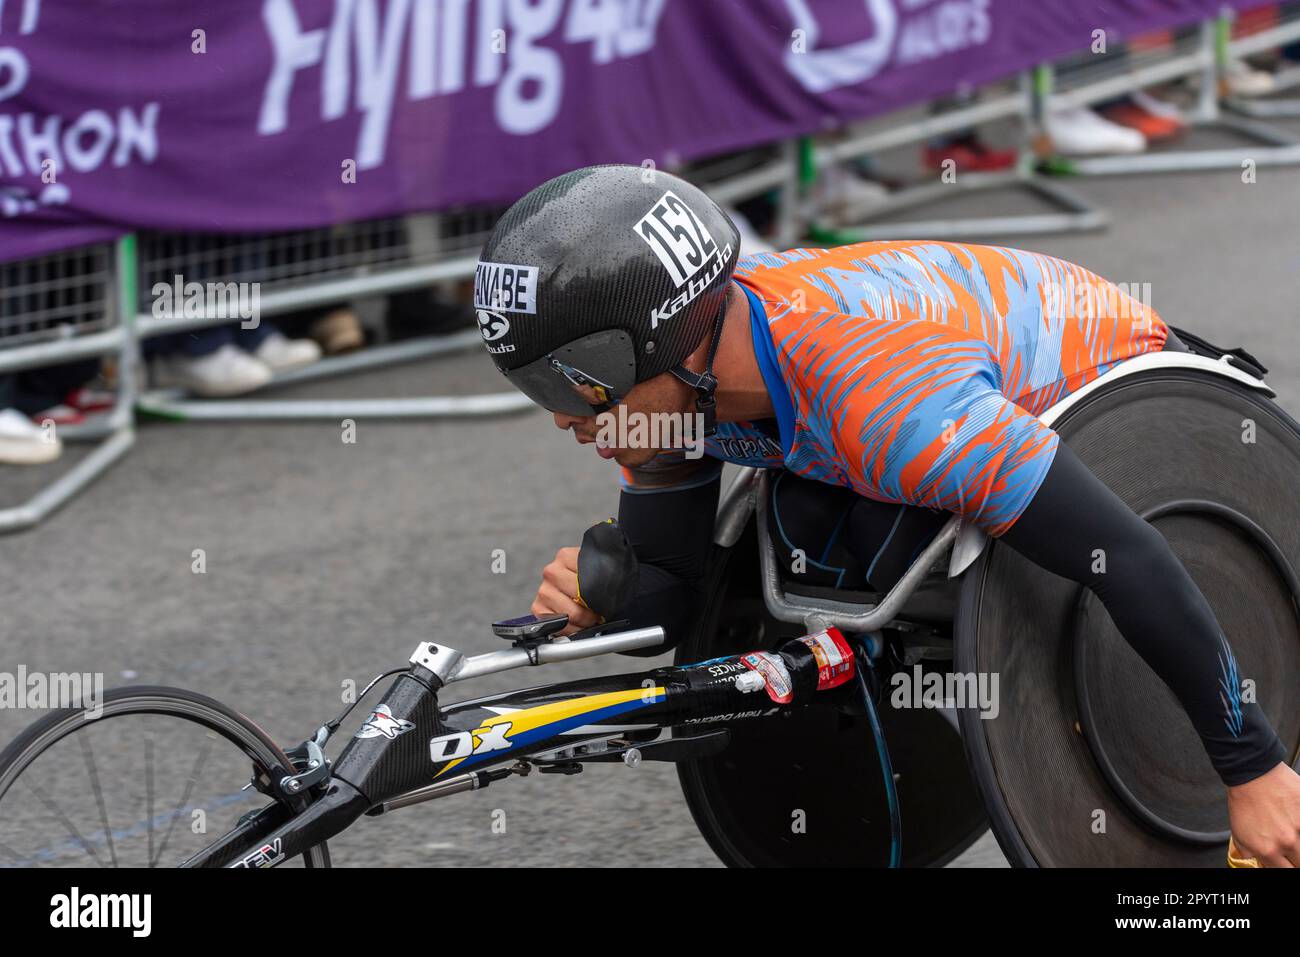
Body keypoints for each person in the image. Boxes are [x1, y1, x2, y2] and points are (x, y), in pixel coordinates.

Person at [476, 165, 1300, 867]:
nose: (563, 418)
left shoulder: (884, 400)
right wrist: (604, 602)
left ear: (665, 342)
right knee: (815, 523)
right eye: (536, 387)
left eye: (570, 385)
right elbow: (676, 598)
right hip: (923, 377)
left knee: (877, 521)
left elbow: (1126, 555)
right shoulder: (661, 401)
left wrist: (1252, 767)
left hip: (1106, 374)